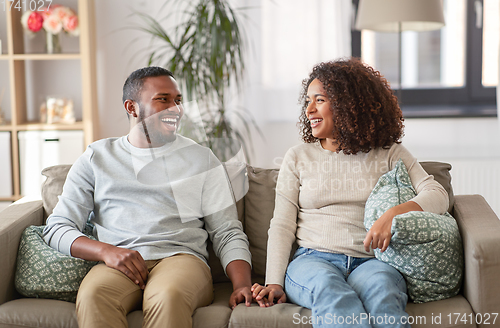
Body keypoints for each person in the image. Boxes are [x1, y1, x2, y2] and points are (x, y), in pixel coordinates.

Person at [43, 66, 253, 328]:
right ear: (132, 108)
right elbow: (57, 228)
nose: (175, 109)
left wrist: (242, 285)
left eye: (178, 100)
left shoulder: (201, 159)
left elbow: (227, 231)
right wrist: (107, 251)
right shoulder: (97, 157)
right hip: (117, 262)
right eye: (163, 99)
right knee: (93, 295)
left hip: (181, 260)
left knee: (168, 296)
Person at [251, 58, 449, 328]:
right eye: (307, 101)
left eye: (319, 100)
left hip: (371, 261)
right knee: (333, 294)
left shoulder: (389, 153)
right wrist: (273, 281)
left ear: (347, 105)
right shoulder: (297, 157)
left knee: (384, 295)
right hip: (312, 260)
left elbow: (437, 193)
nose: (309, 109)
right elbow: (282, 224)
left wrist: (394, 214)